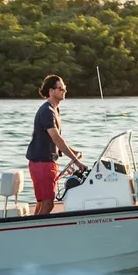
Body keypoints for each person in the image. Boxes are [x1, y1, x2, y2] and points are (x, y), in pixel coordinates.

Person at [26, 74, 86, 215]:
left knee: (42, 202)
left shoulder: (54, 109)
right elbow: (56, 137)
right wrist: (75, 161)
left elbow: (55, 140)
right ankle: (37, 227)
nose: (64, 91)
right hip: (43, 164)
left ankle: (34, 225)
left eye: (65, 88)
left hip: (43, 163)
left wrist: (73, 151)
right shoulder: (47, 111)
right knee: (48, 204)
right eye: (61, 88)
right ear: (51, 91)